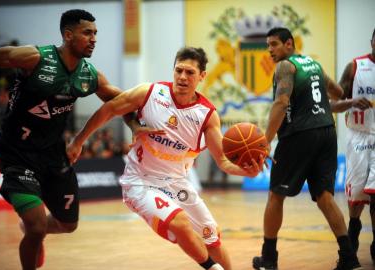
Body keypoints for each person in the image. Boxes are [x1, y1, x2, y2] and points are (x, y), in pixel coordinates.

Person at [0, 9, 141, 270]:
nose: (94, 38)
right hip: (17, 152)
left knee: (68, 225)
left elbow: (121, 102)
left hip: (53, 154)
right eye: (87, 33)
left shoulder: (88, 74)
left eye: (96, 33)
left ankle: (35, 229)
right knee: (36, 227)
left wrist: (135, 127)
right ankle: (33, 234)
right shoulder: (36, 58)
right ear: (68, 35)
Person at [67, 47, 264, 270]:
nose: (182, 77)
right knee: (179, 222)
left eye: (189, 72)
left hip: (177, 183)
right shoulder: (150, 93)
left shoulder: (207, 116)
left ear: (202, 76)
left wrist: (246, 171)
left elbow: (224, 161)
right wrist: (78, 140)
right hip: (140, 182)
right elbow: (110, 108)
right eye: (178, 70)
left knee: (212, 239)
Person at [252, 27, 362, 270]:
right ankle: (348, 257)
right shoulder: (313, 64)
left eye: (274, 44)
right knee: (325, 197)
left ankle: (268, 259)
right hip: (326, 132)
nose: (270, 50)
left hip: (298, 136)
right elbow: (338, 92)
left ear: (288, 44)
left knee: (276, 195)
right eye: (268, 45)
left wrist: (267, 139)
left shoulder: (285, 66)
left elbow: (281, 103)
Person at [330, 28, 375, 262]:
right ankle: (353, 240)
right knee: (357, 198)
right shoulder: (356, 67)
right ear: (372, 41)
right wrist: (351, 101)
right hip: (359, 138)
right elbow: (332, 104)